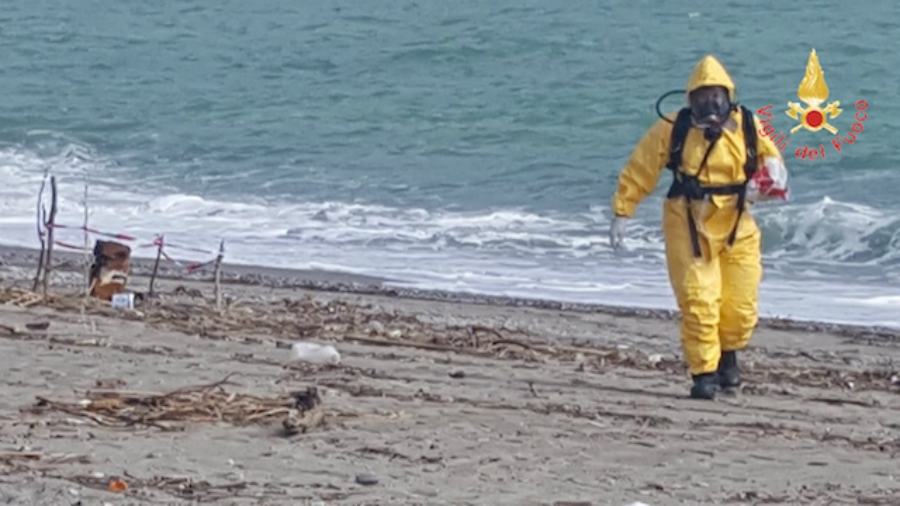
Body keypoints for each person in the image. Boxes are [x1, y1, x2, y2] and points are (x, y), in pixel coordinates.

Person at [609, 55, 785, 400]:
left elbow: (774, 164)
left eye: (716, 95)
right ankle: (704, 372)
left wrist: (766, 184)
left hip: (737, 222)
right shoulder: (673, 129)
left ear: (728, 95)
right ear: (690, 99)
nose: (710, 103)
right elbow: (641, 167)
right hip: (687, 220)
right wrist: (622, 210)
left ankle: (728, 357)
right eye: (702, 96)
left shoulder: (749, 125)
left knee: (740, 304)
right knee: (698, 298)